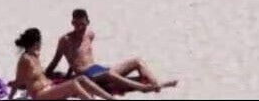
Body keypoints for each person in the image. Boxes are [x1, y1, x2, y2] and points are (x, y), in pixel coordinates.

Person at [45, 9, 178, 95]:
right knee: (109, 73)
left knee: (137, 61)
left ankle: (155, 84)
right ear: (72, 23)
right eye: (76, 24)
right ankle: (143, 88)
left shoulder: (90, 35)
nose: (79, 28)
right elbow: (56, 60)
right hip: (86, 74)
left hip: (97, 69)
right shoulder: (65, 40)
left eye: (82, 24)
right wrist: (46, 75)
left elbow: (79, 55)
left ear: (88, 22)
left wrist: (70, 70)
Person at [13, 28, 114, 100]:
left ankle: (110, 98)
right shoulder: (24, 60)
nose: (40, 45)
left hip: (50, 89)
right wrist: (10, 97)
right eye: (39, 42)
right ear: (35, 43)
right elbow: (18, 81)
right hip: (40, 94)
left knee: (82, 79)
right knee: (74, 84)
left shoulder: (35, 56)